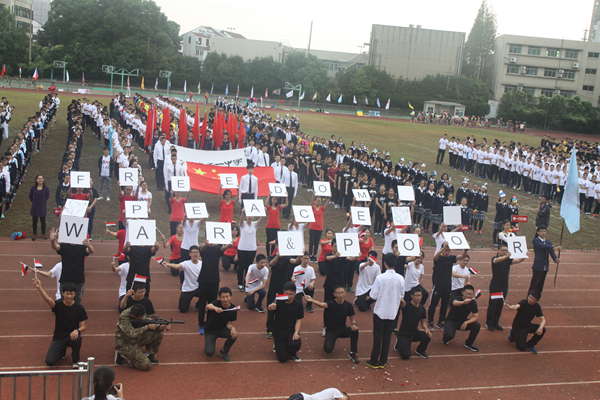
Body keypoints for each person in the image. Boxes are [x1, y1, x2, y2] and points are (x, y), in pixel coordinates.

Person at [33, 278, 88, 368]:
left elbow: (83, 326)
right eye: (67, 294)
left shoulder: (79, 308)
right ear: (63, 293)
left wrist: (77, 330)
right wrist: (39, 287)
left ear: (75, 294)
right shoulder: (58, 305)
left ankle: (75, 360)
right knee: (50, 361)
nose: (69, 296)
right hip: (59, 337)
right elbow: (47, 299)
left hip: (72, 336)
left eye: (71, 294)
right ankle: (62, 350)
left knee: (77, 338)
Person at [366, 250, 405, 369]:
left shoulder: (380, 278)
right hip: (392, 312)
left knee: (378, 336)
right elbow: (402, 295)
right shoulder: (400, 278)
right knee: (387, 337)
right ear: (396, 262)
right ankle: (383, 360)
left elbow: (373, 296)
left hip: (380, 311)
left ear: (385, 263)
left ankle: (374, 360)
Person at [306, 287, 360, 363]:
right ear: (334, 294)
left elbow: (352, 318)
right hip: (331, 330)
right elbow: (321, 304)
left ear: (345, 293)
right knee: (328, 350)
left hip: (342, 329)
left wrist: (354, 324)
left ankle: (352, 353)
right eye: (338, 293)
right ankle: (330, 340)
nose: (340, 295)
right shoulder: (330, 304)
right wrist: (311, 300)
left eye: (342, 292)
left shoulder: (348, 305)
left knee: (355, 331)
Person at [114, 304, 168, 371]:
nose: (142, 318)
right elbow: (132, 334)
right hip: (125, 343)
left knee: (158, 333)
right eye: (140, 317)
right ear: (133, 316)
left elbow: (146, 321)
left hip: (136, 338)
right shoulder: (124, 318)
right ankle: (122, 353)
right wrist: (147, 327)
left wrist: (161, 327)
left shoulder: (138, 311)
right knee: (146, 366)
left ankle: (148, 354)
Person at [49, 227, 94, 304]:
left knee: (76, 303)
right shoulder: (64, 246)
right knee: (65, 303)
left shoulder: (82, 247)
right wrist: (52, 241)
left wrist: (89, 246)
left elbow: (91, 251)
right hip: (65, 279)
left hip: (78, 279)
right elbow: (55, 247)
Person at [487, 244, 526, 331]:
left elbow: (518, 260)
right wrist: (506, 256)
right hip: (495, 285)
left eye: (506, 250)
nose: (505, 252)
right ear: (498, 250)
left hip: (504, 285)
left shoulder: (508, 259)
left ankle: (496, 323)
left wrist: (524, 255)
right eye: (503, 250)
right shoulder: (495, 258)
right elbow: (496, 261)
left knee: (500, 304)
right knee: (493, 305)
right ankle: (489, 323)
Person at [198, 240, 231, 334]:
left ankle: (209, 323)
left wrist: (227, 245)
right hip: (203, 279)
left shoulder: (217, 249)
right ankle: (201, 324)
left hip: (214, 279)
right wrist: (205, 244)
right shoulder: (204, 248)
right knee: (202, 303)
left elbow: (222, 248)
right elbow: (201, 249)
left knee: (212, 303)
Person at [268, 281, 304, 363]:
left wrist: (296, 332)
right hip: (279, 331)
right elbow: (270, 308)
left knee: (295, 343)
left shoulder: (298, 304)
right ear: (283, 292)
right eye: (286, 293)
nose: (289, 296)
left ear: (295, 293)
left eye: (291, 294)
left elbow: (299, 320)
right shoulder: (278, 301)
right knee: (283, 358)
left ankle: (292, 353)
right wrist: (270, 307)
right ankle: (277, 345)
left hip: (291, 330)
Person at [394, 287, 431, 360]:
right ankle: (399, 342)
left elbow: (423, 321)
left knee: (427, 336)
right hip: (404, 334)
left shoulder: (422, 308)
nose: (419, 298)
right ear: (411, 296)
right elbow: (402, 302)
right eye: (417, 295)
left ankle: (420, 350)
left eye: (420, 295)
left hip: (414, 332)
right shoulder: (406, 305)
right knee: (405, 356)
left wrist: (426, 329)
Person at [162, 245, 202, 313]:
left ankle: (198, 305)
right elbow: (177, 266)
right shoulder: (186, 263)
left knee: (208, 292)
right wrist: (168, 264)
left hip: (199, 288)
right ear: (189, 254)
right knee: (183, 309)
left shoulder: (202, 264)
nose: (195, 254)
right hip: (188, 288)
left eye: (197, 252)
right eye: (193, 252)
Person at [441, 285, 480, 352]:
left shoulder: (473, 303)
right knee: (449, 335)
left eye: (471, 294)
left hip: (462, 321)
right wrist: (464, 302)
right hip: (451, 321)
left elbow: (475, 317)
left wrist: (466, 322)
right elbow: (455, 303)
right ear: (463, 293)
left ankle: (469, 343)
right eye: (467, 293)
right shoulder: (457, 298)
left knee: (477, 325)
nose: (469, 296)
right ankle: (445, 338)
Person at [204, 287, 238, 362]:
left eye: (227, 297)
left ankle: (224, 351)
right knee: (209, 353)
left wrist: (233, 328)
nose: (225, 299)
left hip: (222, 329)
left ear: (230, 297)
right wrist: (215, 308)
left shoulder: (233, 309)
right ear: (220, 297)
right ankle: (208, 343)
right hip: (211, 331)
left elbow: (229, 324)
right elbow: (208, 306)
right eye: (223, 297)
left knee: (234, 335)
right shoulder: (216, 303)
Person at [237, 207, 263, 291]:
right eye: (248, 215)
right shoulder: (242, 224)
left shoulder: (255, 224)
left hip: (252, 249)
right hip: (242, 248)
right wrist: (242, 212)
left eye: (251, 215)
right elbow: (240, 221)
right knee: (241, 267)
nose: (250, 217)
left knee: (249, 267)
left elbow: (261, 220)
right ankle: (240, 283)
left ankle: (246, 282)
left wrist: (263, 212)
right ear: (245, 216)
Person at [528, 226, 560, 295]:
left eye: (545, 231)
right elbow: (541, 246)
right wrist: (554, 247)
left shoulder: (548, 242)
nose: (543, 233)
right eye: (542, 231)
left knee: (540, 285)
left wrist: (555, 258)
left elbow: (551, 252)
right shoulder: (536, 241)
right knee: (534, 284)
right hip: (538, 266)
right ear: (538, 232)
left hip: (545, 266)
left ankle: (536, 299)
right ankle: (529, 298)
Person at [308, 193, 330, 262]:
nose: (318, 202)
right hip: (312, 227)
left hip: (319, 228)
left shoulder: (321, 208)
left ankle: (314, 255)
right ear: (315, 201)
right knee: (311, 242)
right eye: (317, 201)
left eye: (320, 201)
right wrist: (313, 195)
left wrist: (329, 198)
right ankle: (310, 255)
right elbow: (311, 204)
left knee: (317, 243)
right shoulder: (313, 208)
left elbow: (326, 205)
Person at [29, 174, 50, 240]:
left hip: (42, 206)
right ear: (36, 180)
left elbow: (47, 196)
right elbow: (30, 196)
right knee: (34, 221)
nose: (40, 179)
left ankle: (43, 234)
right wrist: (34, 201)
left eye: (41, 178)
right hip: (35, 206)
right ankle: (35, 234)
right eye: (39, 178)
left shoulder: (46, 188)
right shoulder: (33, 188)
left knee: (43, 221)